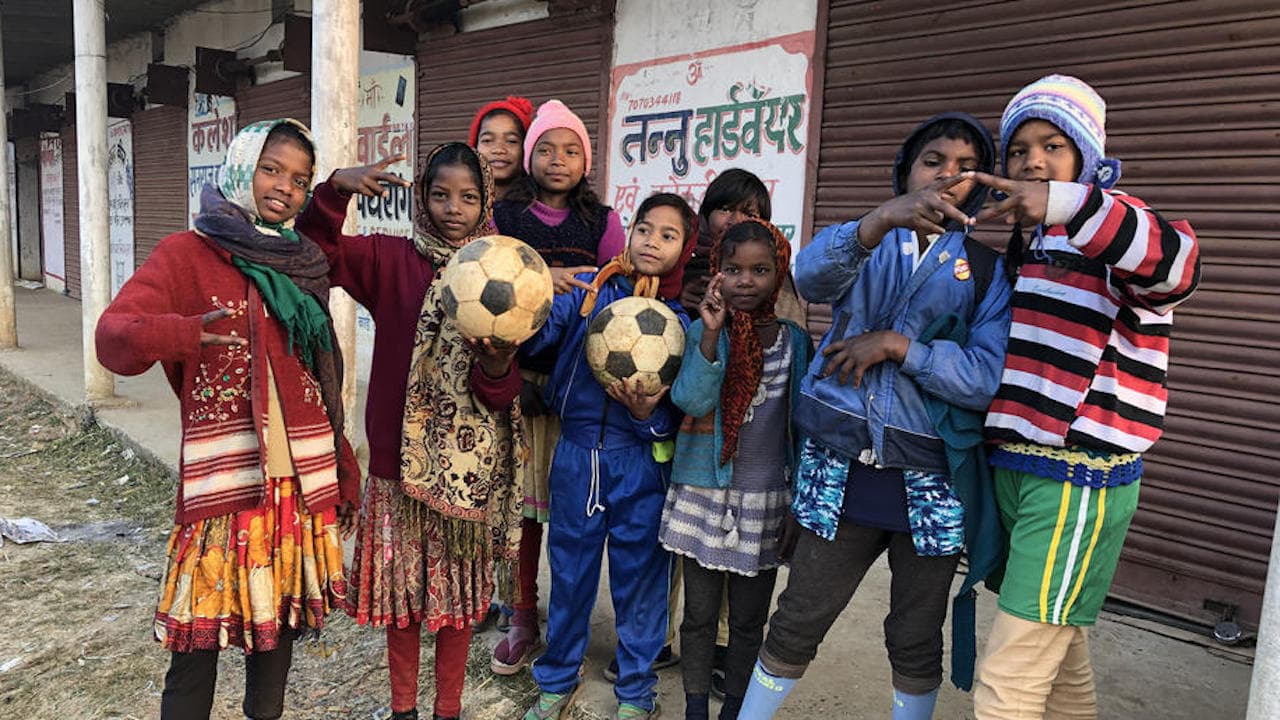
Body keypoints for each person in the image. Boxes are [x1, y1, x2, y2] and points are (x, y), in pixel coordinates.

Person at [737, 113, 1013, 720]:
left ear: (982, 186)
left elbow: (984, 378)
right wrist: (876, 221)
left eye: (965, 167)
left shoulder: (987, 272)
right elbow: (807, 277)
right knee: (799, 616)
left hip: (933, 480)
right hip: (840, 467)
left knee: (914, 633)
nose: (948, 175)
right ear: (906, 172)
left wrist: (897, 346)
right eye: (933, 161)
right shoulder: (868, 238)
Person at [96, 118, 359, 720]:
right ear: (241, 167)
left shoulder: (303, 261)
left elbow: (322, 382)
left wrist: (343, 468)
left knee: (276, 637)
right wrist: (186, 334)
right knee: (198, 643)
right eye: (271, 169)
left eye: (300, 179)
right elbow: (113, 338)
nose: (284, 188)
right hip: (224, 489)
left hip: (298, 487)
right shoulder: (187, 254)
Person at [969, 75, 1200, 720]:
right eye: (1018, 149)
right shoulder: (1031, 245)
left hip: (1078, 480)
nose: (1032, 162)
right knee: (1060, 657)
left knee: (1008, 681)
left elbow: (1179, 265)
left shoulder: (1114, 230)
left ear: (1089, 161)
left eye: (1053, 146)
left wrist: (1071, 204)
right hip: (1019, 468)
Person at [295, 142, 524, 720]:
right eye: (441, 195)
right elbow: (313, 253)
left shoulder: (503, 270)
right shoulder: (390, 260)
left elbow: (501, 391)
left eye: (469, 197)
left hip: (468, 475)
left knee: (458, 604)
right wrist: (334, 191)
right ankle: (403, 710)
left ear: (486, 202)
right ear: (421, 198)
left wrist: (495, 366)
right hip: (399, 467)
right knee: (404, 603)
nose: (454, 208)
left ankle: (448, 708)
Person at [520, 192, 697, 720]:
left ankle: (636, 689)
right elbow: (537, 344)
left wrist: (648, 417)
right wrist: (534, 306)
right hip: (576, 455)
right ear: (629, 233)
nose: (652, 241)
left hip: (640, 461)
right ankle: (556, 676)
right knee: (569, 574)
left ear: (683, 250)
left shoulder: (679, 324)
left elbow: (682, 409)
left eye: (668, 235)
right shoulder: (587, 296)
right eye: (644, 229)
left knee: (640, 577)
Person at [490, 99, 635, 676]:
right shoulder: (505, 216)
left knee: (572, 509)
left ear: (586, 160)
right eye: (545, 149)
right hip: (516, 379)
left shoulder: (604, 223)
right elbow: (493, 291)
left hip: (580, 384)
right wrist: (511, 370)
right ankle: (523, 614)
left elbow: (617, 303)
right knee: (523, 508)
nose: (557, 160)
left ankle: (586, 623)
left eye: (570, 150)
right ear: (529, 158)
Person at [662, 219, 814, 720]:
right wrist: (708, 334)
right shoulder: (705, 331)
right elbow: (689, 398)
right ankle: (696, 707)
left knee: (749, 621)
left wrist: (800, 501)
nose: (746, 281)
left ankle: (735, 710)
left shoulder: (793, 342)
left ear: (779, 275)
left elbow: (803, 429)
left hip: (766, 498)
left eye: (760, 270)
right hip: (702, 493)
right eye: (733, 269)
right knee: (700, 616)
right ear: (716, 274)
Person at [470, 95, 534, 202]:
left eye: (511, 141)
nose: (498, 149)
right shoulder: (459, 205)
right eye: (487, 140)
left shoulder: (538, 209)